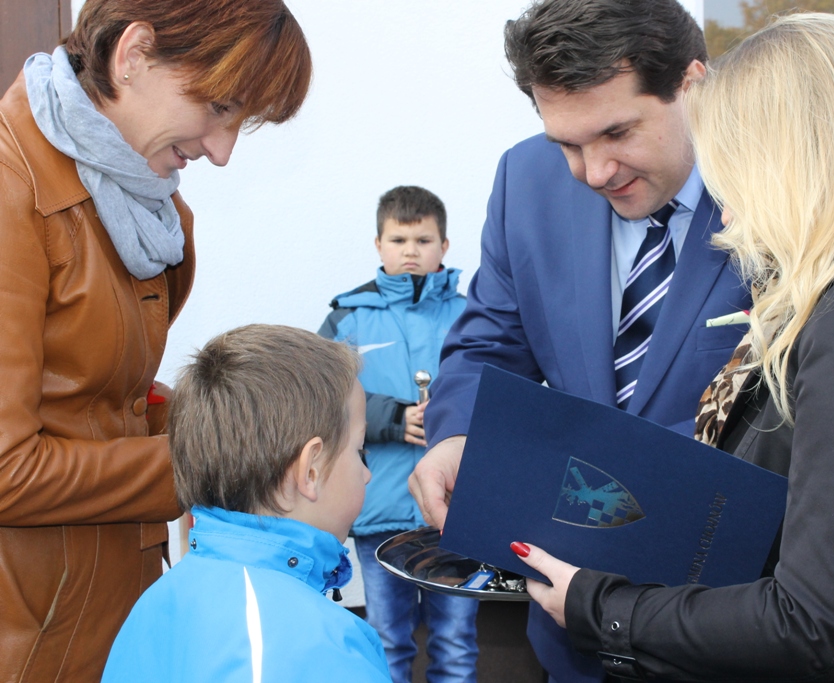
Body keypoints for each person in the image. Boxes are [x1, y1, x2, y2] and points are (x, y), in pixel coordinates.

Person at [515, 12, 834, 682]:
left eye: (735, 173)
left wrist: (600, 606)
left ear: (800, 161)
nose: (724, 212)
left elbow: (815, 623)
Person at [407, 1, 751, 680]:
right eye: (567, 142)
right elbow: (486, 344)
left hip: (732, 621)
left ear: (692, 84)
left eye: (616, 132)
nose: (594, 171)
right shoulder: (525, 181)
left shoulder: (779, 187)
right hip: (571, 636)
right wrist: (457, 434)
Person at [0, 1, 311, 680]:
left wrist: (235, 417)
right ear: (134, 53)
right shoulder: (11, 189)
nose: (223, 151)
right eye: (220, 107)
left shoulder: (137, 196)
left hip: (114, 602)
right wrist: (211, 462)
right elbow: (6, 467)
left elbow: (96, 397)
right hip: (34, 634)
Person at [101, 325, 390, 682]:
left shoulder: (161, 601)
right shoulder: (313, 646)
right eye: (359, 451)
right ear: (310, 471)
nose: (366, 474)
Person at [318, 186, 477, 683]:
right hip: (380, 508)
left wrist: (454, 419)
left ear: (444, 246)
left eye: (423, 239)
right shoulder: (347, 318)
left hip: (457, 509)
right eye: (399, 239)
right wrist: (394, 417)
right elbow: (321, 399)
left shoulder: (474, 317)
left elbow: (503, 392)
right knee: (387, 640)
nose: (411, 251)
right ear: (378, 244)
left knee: (455, 642)